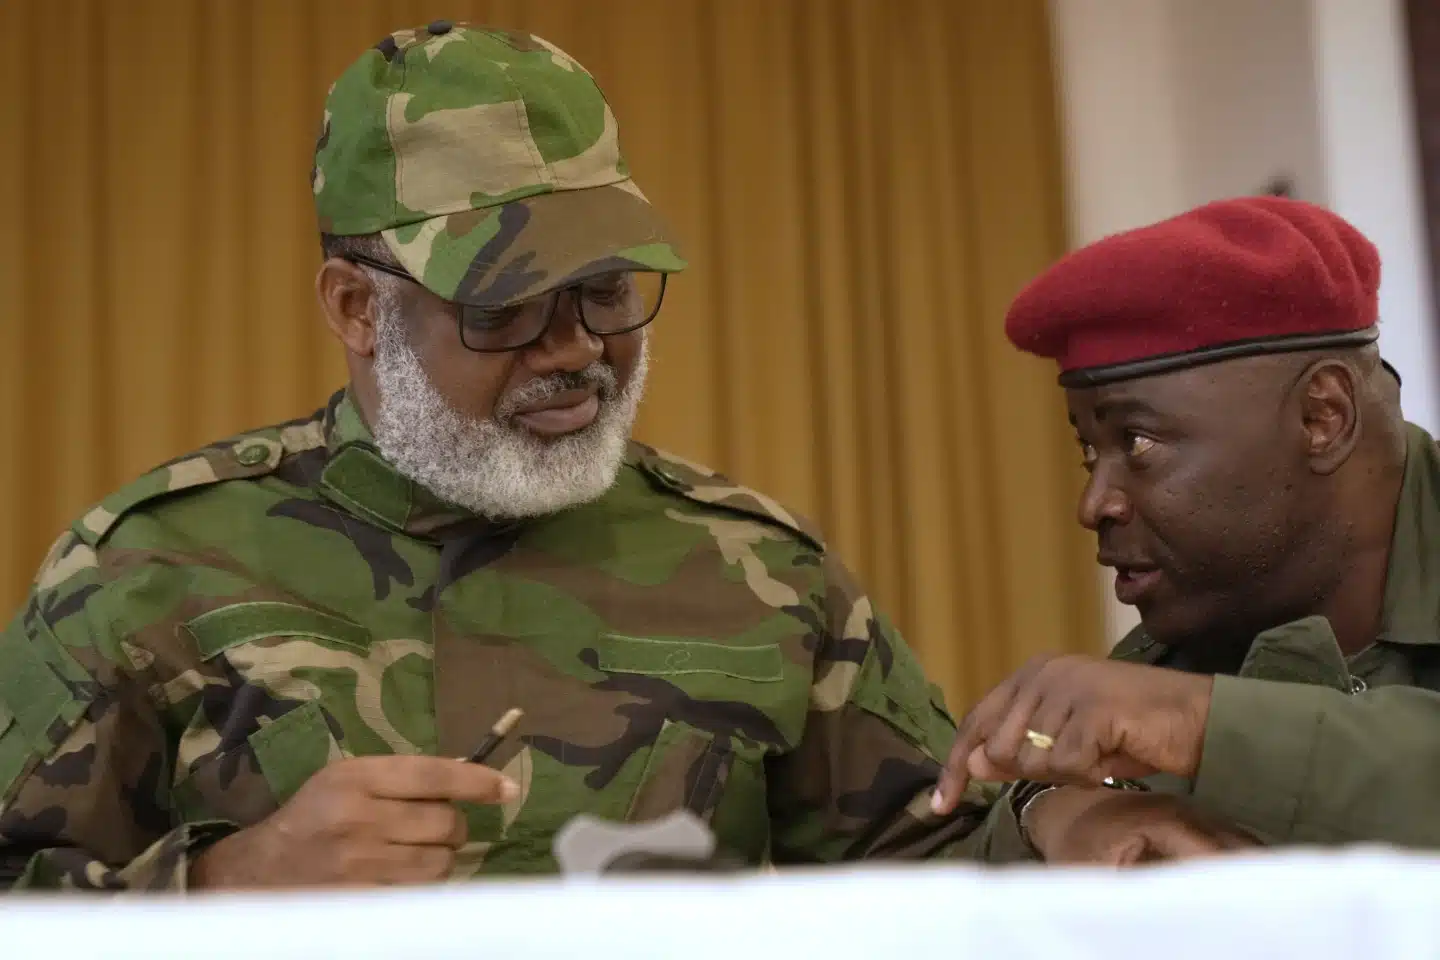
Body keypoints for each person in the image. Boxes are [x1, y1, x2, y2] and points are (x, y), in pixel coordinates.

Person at [0, 22, 991, 891]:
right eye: (503, 306)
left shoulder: (766, 573)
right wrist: (216, 886)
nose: (577, 350)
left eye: (605, 290)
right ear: (356, 306)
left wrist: (1078, 806)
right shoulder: (146, 570)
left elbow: (941, 879)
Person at [931, 195, 1440, 864]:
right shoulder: (1181, 646)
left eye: (1137, 441)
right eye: (1090, 450)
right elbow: (961, 876)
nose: (1095, 503)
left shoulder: (1165, 702)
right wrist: (1050, 811)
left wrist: (1200, 724)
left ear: (1323, 415)